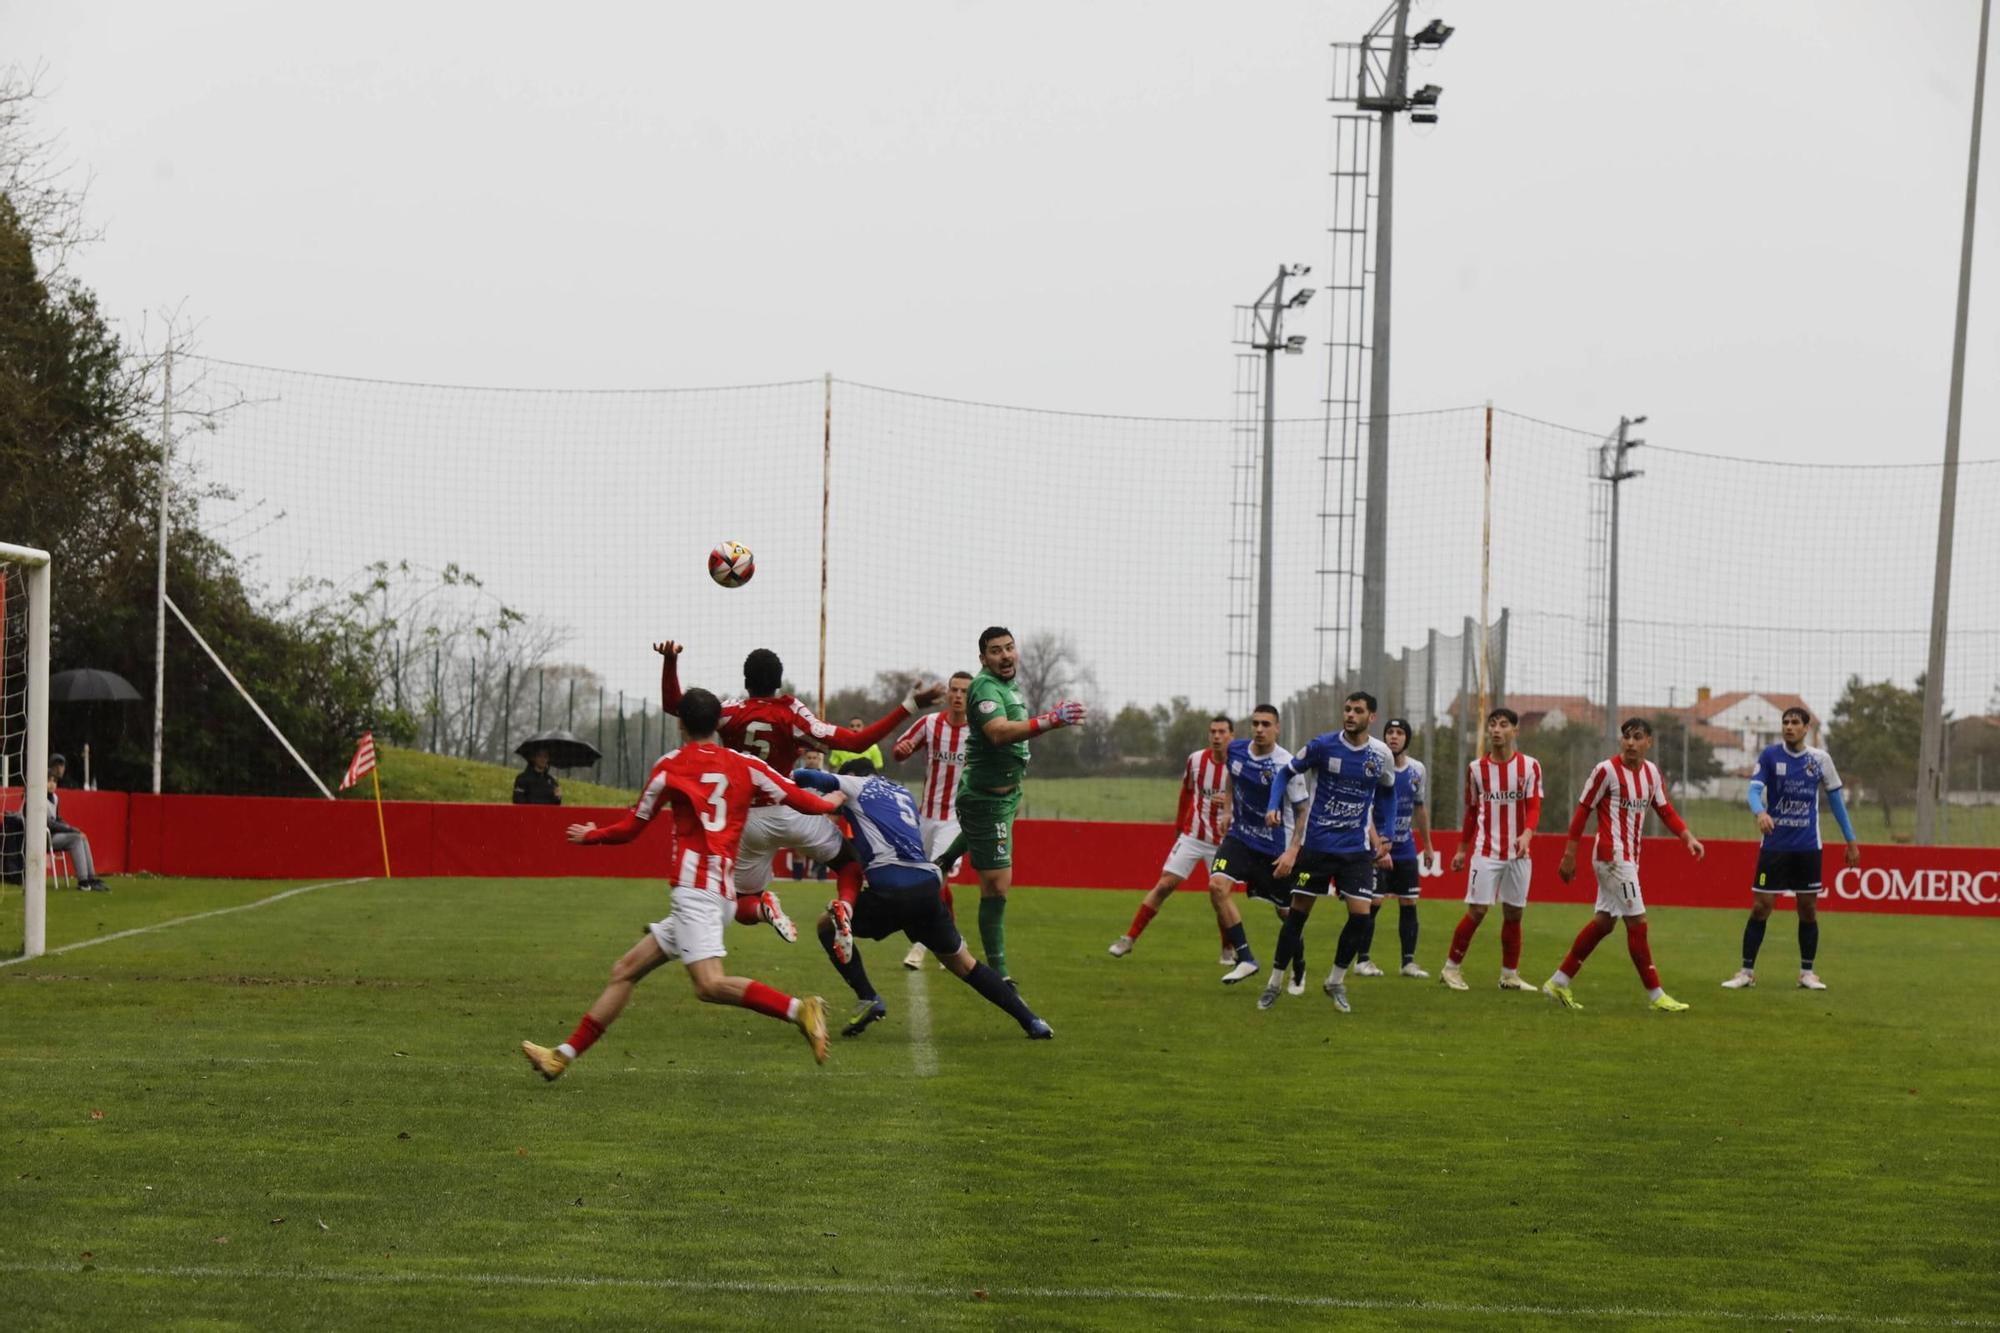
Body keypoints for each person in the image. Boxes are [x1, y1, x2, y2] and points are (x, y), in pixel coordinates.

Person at [520, 687, 844, 1081]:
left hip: (697, 893)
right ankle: (561, 1056)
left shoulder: (671, 765)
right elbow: (796, 797)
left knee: (709, 985)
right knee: (625, 970)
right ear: (717, 724)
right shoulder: (744, 763)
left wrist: (591, 835)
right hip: (721, 891)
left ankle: (799, 1009)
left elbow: (632, 827)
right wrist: (834, 802)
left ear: (681, 724)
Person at [658, 639, 942, 940]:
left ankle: (763, 907)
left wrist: (670, 662)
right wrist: (909, 706)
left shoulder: (729, 710)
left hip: (746, 821)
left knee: (742, 901)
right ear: (779, 682)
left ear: (746, 682)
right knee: (848, 864)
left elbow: (676, 705)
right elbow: (856, 742)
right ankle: (845, 908)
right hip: (791, 810)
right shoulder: (791, 712)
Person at [798, 758, 1053, 1040]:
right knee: (965, 964)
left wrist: (770, 776)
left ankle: (868, 996)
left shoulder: (855, 783)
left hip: (891, 889)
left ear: (853, 775)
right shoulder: (902, 792)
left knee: (826, 925)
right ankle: (1032, 1021)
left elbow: (808, 776)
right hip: (925, 889)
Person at [931, 627, 1087, 985]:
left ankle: (941, 862)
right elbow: (999, 732)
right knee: (997, 886)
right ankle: (998, 976)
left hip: (1006, 794)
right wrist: (1049, 721)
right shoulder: (984, 687)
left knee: (997, 878)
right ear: (983, 659)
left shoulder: (1009, 687)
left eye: (1009, 648)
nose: (1005, 655)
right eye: (996, 651)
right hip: (986, 800)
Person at [1544, 718, 1701, 1012]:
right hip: (1612, 857)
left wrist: (1687, 837)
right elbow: (1582, 811)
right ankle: (1657, 996)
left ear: (1648, 742)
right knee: (1637, 923)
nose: (1630, 742)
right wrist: (1569, 853)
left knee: (1604, 923)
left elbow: (1664, 809)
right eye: (1626, 737)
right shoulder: (1606, 771)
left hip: (1629, 857)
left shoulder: (1652, 773)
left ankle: (1558, 982)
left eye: (1637, 737)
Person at [1257, 691, 1395, 1014]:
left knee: (1362, 916)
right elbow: (1284, 773)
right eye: (1346, 709)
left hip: (1356, 850)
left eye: (1357, 710)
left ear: (1371, 717)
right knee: (1297, 915)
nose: (1349, 714)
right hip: (1317, 847)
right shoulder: (1322, 746)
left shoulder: (1380, 754)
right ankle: (1274, 983)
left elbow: (1387, 790)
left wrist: (1386, 831)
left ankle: (1335, 980)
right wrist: (1273, 804)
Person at [1723, 705, 1859, 991]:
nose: (1788, 726)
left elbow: (1836, 802)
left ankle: (1807, 973)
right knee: (1761, 907)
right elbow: (1753, 790)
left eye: (1795, 722)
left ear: (1806, 728)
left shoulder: (1820, 760)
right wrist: (1761, 812)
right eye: (1785, 722)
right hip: (1775, 846)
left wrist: (1850, 841)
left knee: (1808, 909)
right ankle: (1746, 972)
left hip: (1808, 847)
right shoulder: (1770, 755)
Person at [1107, 715, 1234, 960]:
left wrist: (1231, 802)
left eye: (1222, 732)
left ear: (1231, 735)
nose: (1217, 736)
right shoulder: (1196, 760)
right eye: (1213, 732)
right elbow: (1186, 794)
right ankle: (1129, 939)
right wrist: (1179, 828)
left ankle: (1227, 948)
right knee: (1164, 884)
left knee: (1219, 896)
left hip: (1223, 842)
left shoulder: (1239, 765)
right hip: (1192, 836)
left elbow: (1251, 800)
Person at [1205, 704, 1310, 986]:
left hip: (1275, 846)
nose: (1260, 729)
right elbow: (1232, 778)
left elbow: (1302, 810)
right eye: (1256, 724)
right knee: (1217, 886)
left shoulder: (1286, 765)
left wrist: (1293, 850)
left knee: (1286, 912)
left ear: (1277, 728)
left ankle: (1299, 964)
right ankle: (1246, 958)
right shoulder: (1236, 750)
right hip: (1240, 837)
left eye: (1266, 724)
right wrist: (1227, 810)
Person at [1440, 708, 1543, 993]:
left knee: (1514, 913)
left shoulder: (1530, 766)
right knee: (1477, 910)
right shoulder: (1476, 769)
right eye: (1493, 725)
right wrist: (1462, 850)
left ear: (1515, 731)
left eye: (1503, 725)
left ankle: (1509, 975)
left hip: (1519, 853)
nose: (1496, 730)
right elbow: (1472, 812)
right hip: (1486, 852)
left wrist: (1527, 833)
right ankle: (1451, 968)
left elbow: (1534, 805)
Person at [890, 670, 973, 969]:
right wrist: (904, 750)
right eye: (954, 690)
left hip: (956, 819)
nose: (958, 695)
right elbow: (900, 750)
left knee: (933, 878)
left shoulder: (979, 731)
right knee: (926, 880)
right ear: (948, 693)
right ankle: (953, 939)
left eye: (964, 691)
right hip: (926, 816)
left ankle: (921, 944)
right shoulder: (930, 724)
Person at [1353, 717, 1433, 979]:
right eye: (1389, 732)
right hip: (1377, 847)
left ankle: (1408, 963)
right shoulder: (1376, 768)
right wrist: (1379, 846)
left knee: (1409, 901)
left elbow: (1419, 808)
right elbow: (1366, 810)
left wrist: (1428, 846)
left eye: (1399, 733)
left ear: (1407, 739)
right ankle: (1362, 960)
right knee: (1373, 901)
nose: (1393, 737)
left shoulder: (1417, 770)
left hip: (1405, 847)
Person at [45, 755, 108, 892]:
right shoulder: (38, 798)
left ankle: (91, 878)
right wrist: (70, 830)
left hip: (53, 835)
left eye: (54, 781)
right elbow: (50, 824)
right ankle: (83, 881)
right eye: (48, 781)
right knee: (75, 838)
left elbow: (57, 819)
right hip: (42, 838)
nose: (52, 784)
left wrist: (72, 828)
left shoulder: (55, 798)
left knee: (82, 837)